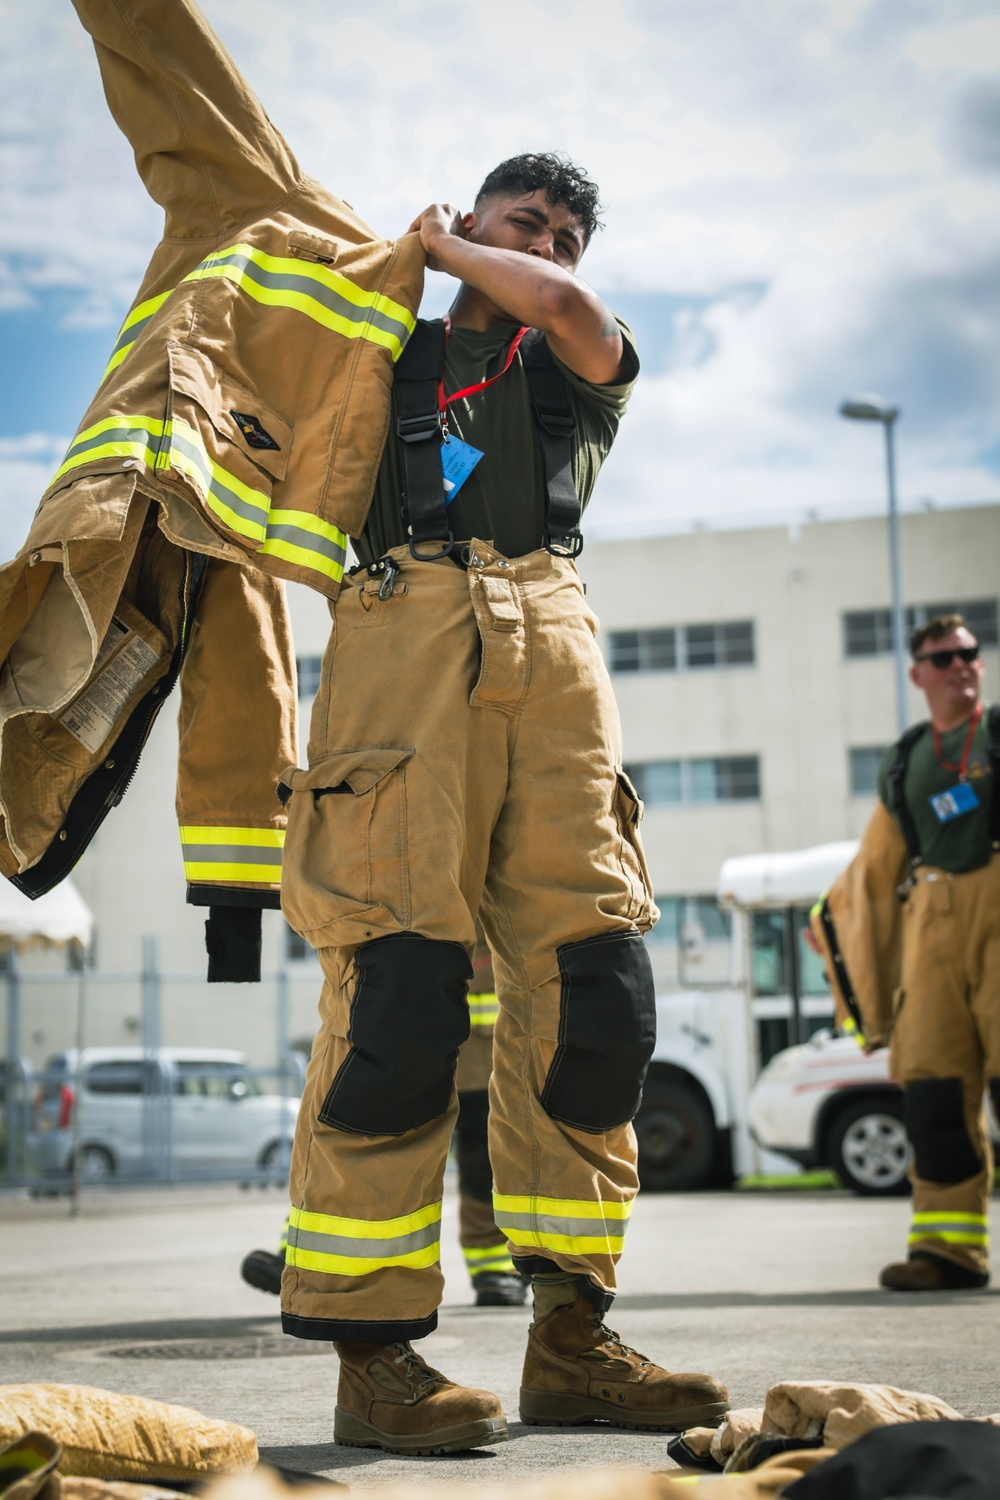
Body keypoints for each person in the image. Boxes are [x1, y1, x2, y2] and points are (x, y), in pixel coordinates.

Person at [278, 157, 729, 1454]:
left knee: (598, 992)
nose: (553, 247)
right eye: (526, 223)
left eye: (569, 236)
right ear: (466, 217)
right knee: (401, 991)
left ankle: (573, 1342)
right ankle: (375, 1360)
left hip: (553, 640)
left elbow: (571, 314)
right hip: (396, 630)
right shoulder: (372, 354)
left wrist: (460, 255)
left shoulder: (572, 368)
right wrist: (399, 265)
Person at [813, 613, 998, 1292]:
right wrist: (832, 925)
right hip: (931, 928)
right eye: (943, 657)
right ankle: (948, 1250)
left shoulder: (997, 733)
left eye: (969, 654)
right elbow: (874, 866)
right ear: (918, 674)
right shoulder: (907, 758)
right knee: (933, 1095)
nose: (961, 665)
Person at [241, 930, 527, 1308]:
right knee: (361, 1149)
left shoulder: (493, 910)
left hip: (482, 1064)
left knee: (484, 1167)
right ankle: (300, 1257)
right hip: (405, 1048)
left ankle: (495, 1270)